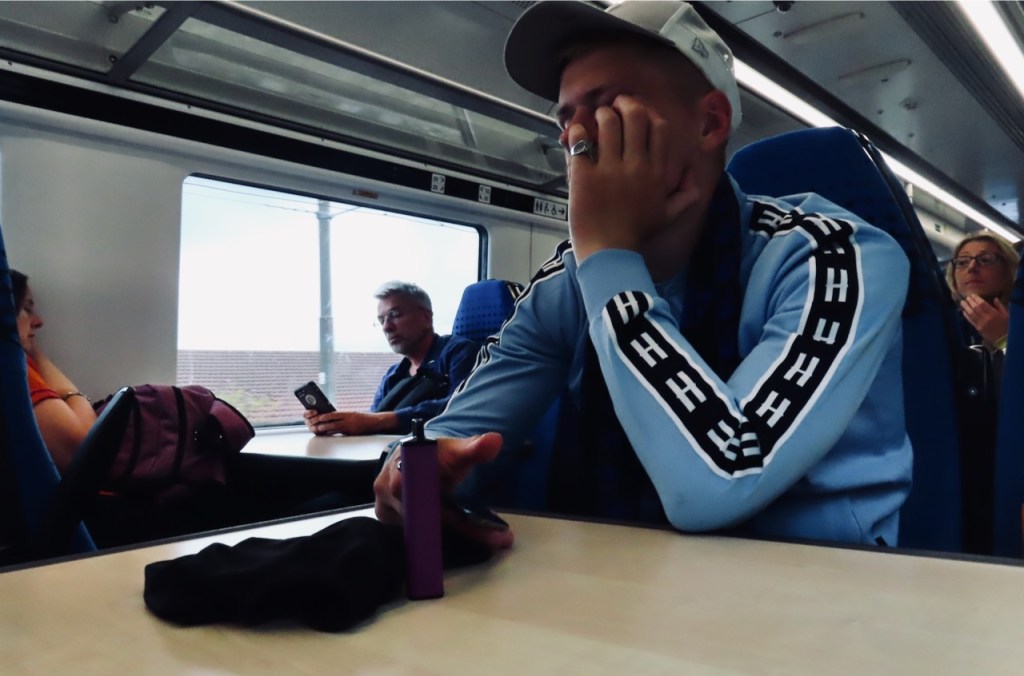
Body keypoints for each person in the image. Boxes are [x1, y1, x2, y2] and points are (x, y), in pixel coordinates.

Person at [375, 0, 913, 550]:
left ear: (708, 123)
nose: (574, 140)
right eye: (565, 120)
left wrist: (608, 255)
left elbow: (719, 483)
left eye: (608, 110)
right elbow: (459, 435)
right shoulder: (563, 285)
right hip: (615, 578)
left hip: (820, 589)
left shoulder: (832, 256)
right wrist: (417, 469)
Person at [304, 281, 480, 436]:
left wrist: (378, 421)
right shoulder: (394, 374)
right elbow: (373, 416)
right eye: (381, 320)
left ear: (426, 318)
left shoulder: (459, 353)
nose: (387, 327)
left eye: (395, 315)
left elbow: (459, 407)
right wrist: (334, 423)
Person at [11, 269, 96, 472]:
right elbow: (84, 452)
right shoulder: (14, 372)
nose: (39, 321)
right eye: (27, 308)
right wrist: (36, 354)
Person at [945, 231, 1019, 353]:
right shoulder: (942, 326)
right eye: (962, 262)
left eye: (985, 260)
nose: (971, 267)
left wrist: (1004, 340)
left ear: (1009, 270)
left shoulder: (1019, 319)